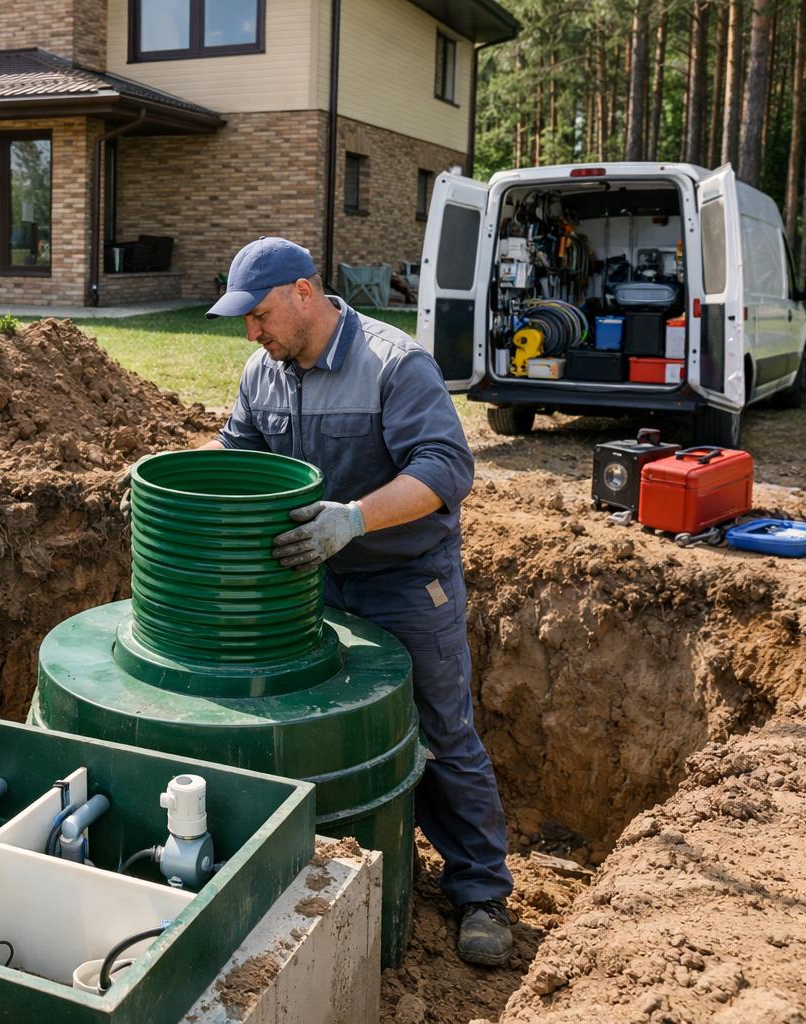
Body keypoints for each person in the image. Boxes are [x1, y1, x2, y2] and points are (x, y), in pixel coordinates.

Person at [203, 237, 514, 966]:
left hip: (406, 582)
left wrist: (353, 519)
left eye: (260, 314)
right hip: (313, 583)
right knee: (313, 721)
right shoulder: (263, 371)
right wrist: (174, 489)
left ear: (304, 293)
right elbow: (236, 453)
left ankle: (481, 890)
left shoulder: (392, 363)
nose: (251, 332)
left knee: (439, 729)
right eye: (244, 319)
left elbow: (446, 467)